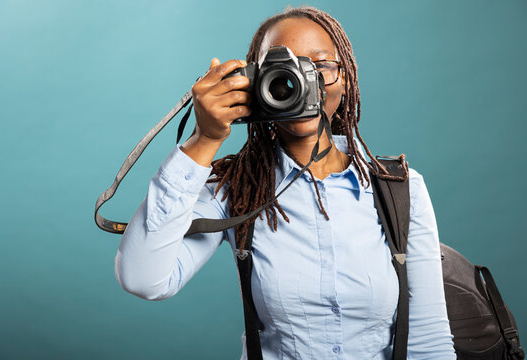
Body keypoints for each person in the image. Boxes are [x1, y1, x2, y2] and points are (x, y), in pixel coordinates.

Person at [115, 6, 456, 359]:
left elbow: (429, 340)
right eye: (281, 72)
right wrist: (203, 140)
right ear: (252, 86)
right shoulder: (237, 190)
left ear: (347, 79)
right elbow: (143, 278)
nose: (301, 82)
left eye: (320, 66)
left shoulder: (399, 188)